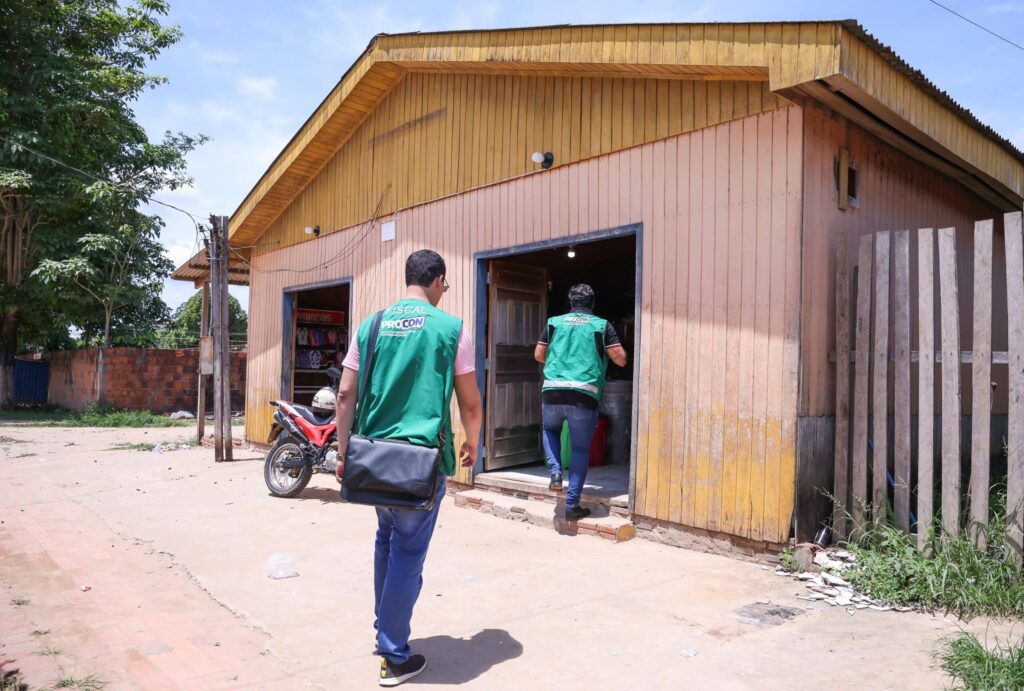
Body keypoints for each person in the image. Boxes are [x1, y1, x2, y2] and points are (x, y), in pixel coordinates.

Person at [334, 249, 483, 687]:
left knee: (386, 538)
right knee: (407, 553)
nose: (445, 291)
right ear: (437, 280)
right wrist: (474, 442)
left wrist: (344, 454)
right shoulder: (452, 329)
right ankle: (395, 654)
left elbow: (345, 394)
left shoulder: (372, 324)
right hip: (419, 464)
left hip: (374, 460)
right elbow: (470, 401)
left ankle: (385, 627)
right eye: (446, 285)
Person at [534, 284, 628, 520]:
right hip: (583, 394)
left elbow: (538, 354)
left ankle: (555, 473)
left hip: (553, 390)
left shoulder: (554, 323)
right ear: (592, 303)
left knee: (550, 429)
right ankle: (572, 505)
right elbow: (621, 360)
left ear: (570, 302)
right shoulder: (601, 325)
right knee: (579, 449)